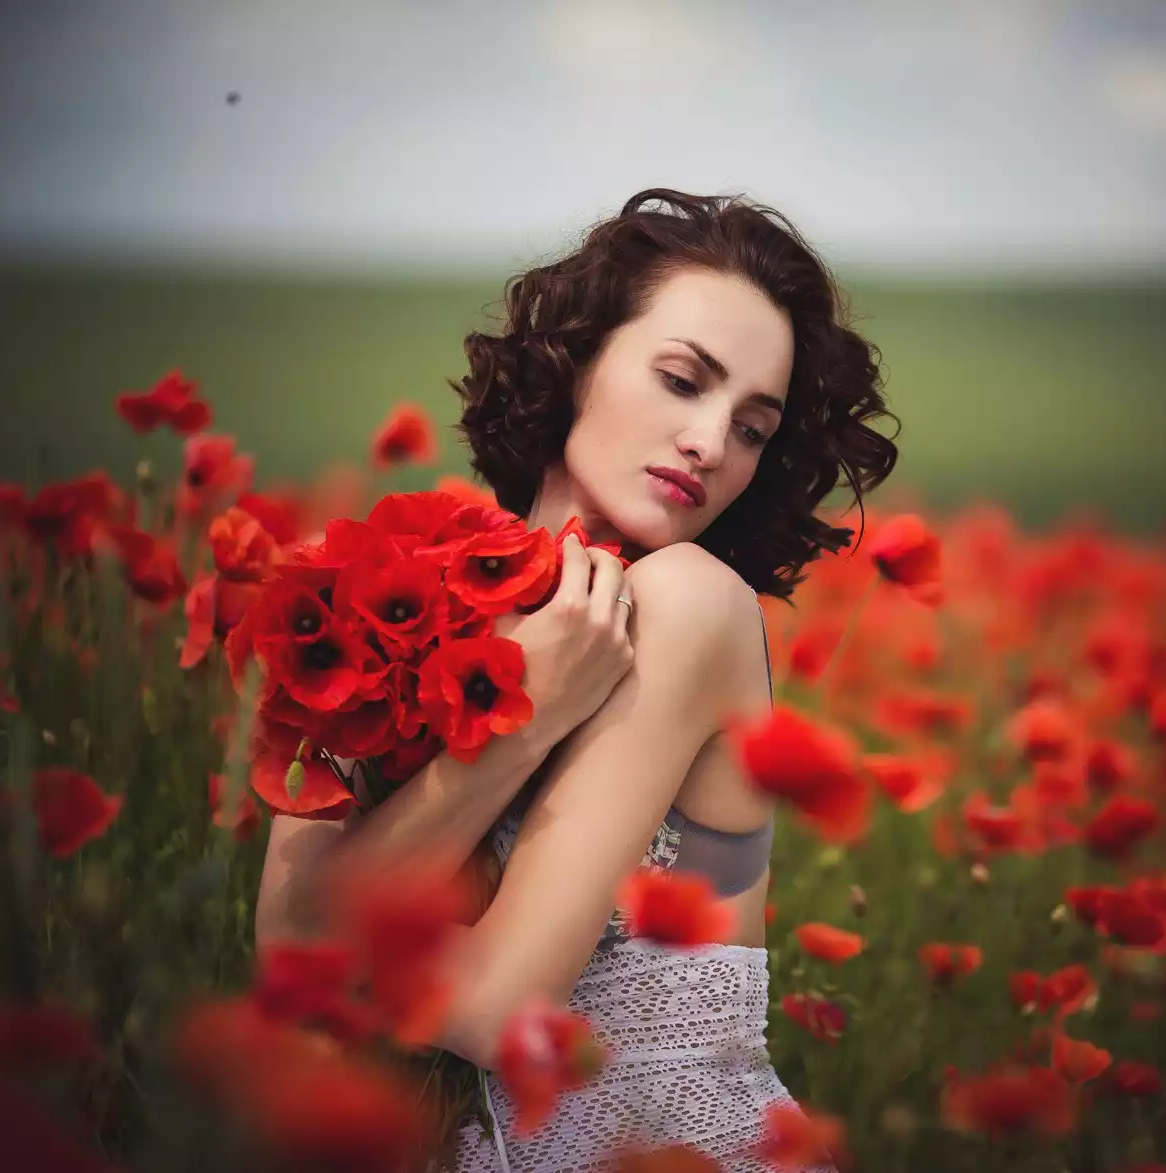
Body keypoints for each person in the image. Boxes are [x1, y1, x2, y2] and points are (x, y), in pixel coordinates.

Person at [254, 188, 899, 1171]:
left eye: (752, 429)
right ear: (575, 358)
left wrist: (518, 718)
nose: (709, 443)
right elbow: (285, 959)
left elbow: (492, 1007)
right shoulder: (375, 603)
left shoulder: (690, 603)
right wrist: (530, 701)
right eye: (684, 380)